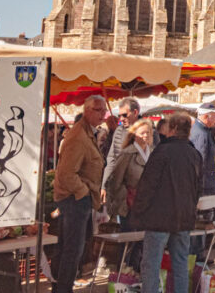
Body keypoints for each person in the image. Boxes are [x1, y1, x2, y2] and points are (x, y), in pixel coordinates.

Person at [130, 113, 200, 293]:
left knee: (151, 265)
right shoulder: (194, 154)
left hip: (159, 219)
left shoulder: (162, 152)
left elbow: (147, 186)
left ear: (173, 129)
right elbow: (198, 188)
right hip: (183, 217)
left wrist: (138, 212)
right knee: (180, 264)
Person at [52, 94, 107, 293]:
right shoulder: (78, 136)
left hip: (78, 199)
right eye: (98, 110)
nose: (103, 114)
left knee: (72, 250)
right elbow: (66, 173)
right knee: (71, 251)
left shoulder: (87, 133)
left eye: (104, 110)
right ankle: (62, 289)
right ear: (86, 111)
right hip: (74, 200)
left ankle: (61, 287)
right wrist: (83, 193)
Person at [104, 118, 155, 228]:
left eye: (148, 133)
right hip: (129, 203)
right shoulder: (127, 153)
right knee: (129, 235)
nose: (145, 135)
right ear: (134, 134)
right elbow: (115, 179)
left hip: (148, 203)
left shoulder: (153, 153)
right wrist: (117, 200)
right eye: (142, 133)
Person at [103, 97, 141, 197]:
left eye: (125, 115)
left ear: (135, 112)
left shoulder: (148, 131)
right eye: (119, 116)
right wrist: (104, 185)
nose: (121, 119)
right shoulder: (118, 131)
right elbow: (111, 158)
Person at [189, 103, 215, 217]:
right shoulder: (201, 134)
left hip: (206, 182)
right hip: (205, 185)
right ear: (206, 116)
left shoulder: (203, 131)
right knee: (204, 219)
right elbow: (200, 162)